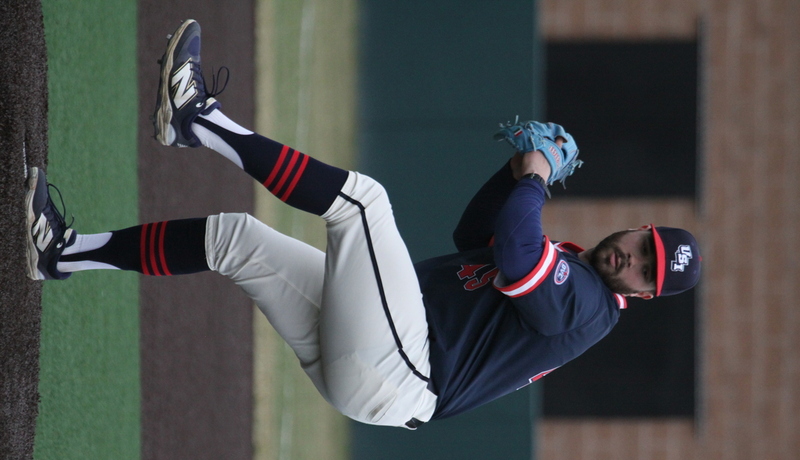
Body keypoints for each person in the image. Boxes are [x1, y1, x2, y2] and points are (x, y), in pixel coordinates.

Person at [25, 19, 701, 429]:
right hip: (385, 354)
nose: (634, 261)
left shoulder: (589, 308)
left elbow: (522, 256)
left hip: (403, 366)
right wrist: (514, 172)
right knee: (236, 239)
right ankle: (60, 252)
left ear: (642, 296)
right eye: (646, 248)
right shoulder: (581, 272)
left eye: (647, 272)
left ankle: (197, 120)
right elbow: (478, 236)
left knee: (361, 203)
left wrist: (535, 177)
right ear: (641, 229)